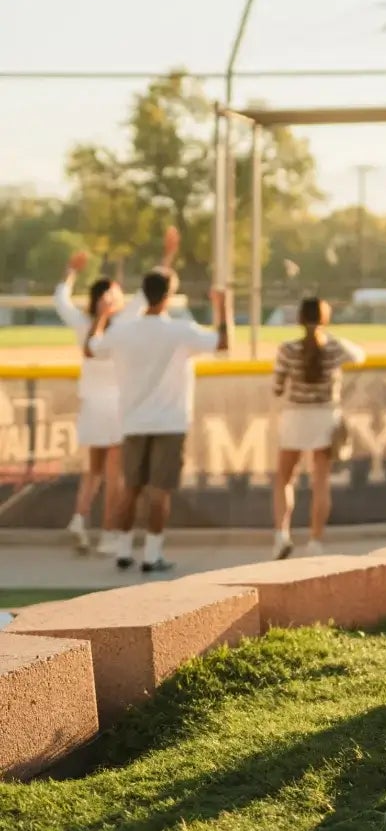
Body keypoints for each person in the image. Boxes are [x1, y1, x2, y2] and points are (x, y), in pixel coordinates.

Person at [87, 270, 228, 573]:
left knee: (131, 488)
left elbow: (91, 348)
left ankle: (123, 550)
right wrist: (222, 306)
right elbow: (223, 343)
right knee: (159, 491)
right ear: (168, 296)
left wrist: (101, 315)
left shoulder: (125, 330)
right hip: (170, 422)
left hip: (134, 421)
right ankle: (152, 554)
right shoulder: (180, 330)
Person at [52, 228, 178, 557]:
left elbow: (60, 300)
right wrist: (167, 256)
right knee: (114, 476)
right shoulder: (121, 325)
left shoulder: (83, 322)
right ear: (110, 300)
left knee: (92, 472)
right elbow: (149, 294)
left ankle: (79, 519)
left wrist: (71, 272)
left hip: (90, 406)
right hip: (116, 408)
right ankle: (109, 533)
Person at [270, 297, 365, 559]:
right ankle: (315, 540)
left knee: (284, 478)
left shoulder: (287, 349)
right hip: (325, 417)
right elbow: (360, 355)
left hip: (294, 417)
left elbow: (278, 387)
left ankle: (281, 535)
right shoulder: (335, 347)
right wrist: (327, 334)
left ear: (299, 319)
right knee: (320, 482)